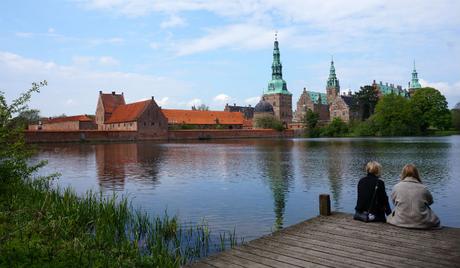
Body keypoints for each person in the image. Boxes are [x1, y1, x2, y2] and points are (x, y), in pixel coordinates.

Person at [387, 164, 440, 229]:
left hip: (400, 221)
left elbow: (394, 202)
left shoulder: (396, 187)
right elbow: (430, 202)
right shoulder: (423, 188)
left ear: (403, 173)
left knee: (391, 216)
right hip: (422, 222)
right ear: (416, 174)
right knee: (435, 219)